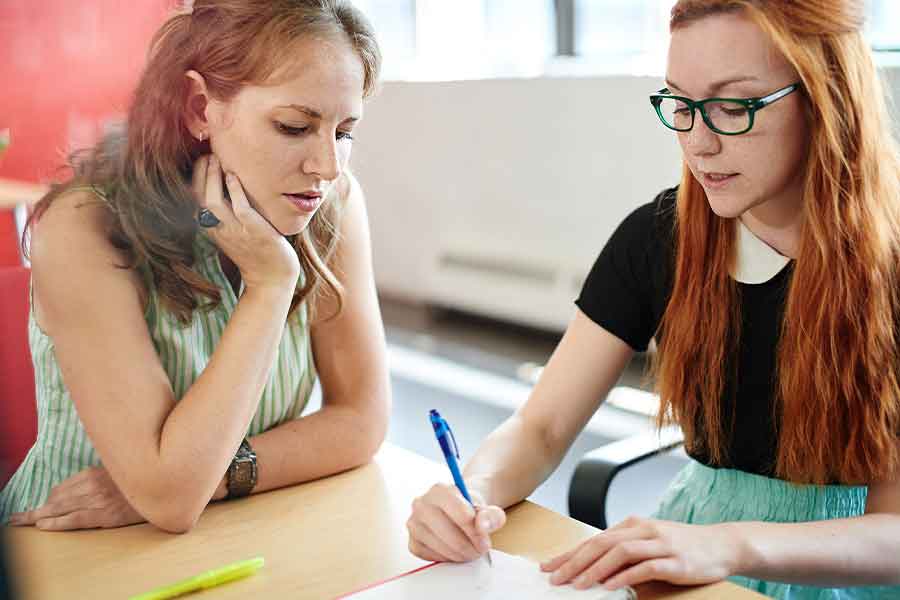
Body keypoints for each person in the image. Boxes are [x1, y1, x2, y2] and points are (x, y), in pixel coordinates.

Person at [406, 1, 900, 597]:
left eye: (731, 106)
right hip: (696, 549)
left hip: (840, 565)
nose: (697, 141)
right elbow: (540, 427)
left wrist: (732, 542)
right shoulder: (659, 236)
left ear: (828, 98)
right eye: (682, 105)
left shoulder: (887, 263)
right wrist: (472, 492)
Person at [0, 0, 390, 533]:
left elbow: (361, 422)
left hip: (235, 532)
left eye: (343, 132)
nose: (326, 166)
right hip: (68, 550)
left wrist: (221, 476)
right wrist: (269, 285)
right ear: (200, 108)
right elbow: (171, 501)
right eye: (295, 127)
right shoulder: (83, 226)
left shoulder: (330, 201)